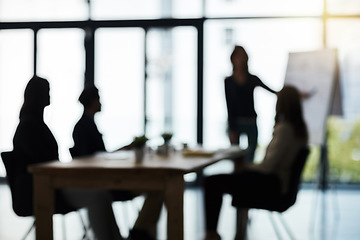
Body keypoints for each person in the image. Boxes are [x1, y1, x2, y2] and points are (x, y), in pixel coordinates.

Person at [12, 76, 123, 240]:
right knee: (99, 196)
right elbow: (43, 164)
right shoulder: (29, 127)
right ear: (38, 95)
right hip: (45, 190)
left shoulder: (35, 124)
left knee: (102, 194)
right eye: (47, 91)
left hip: (52, 185)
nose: (50, 95)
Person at [204, 85, 308, 240]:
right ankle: (216, 234)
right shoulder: (300, 131)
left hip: (272, 186)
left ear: (281, 103)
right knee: (229, 178)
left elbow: (267, 167)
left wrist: (245, 167)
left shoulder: (285, 129)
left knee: (212, 182)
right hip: (280, 185)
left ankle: (211, 235)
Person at [71, 84, 163, 240]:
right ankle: (140, 232)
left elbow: (100, 156)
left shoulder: (88, 124)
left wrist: (124, 149)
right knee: (158, 187)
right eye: (99, 99)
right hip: (105, 183)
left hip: (107, 180)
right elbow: (92, 159)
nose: (101, 103)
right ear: (92, 102)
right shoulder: (82, 127)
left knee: (159, 186)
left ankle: (141, 231)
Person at [225, 45, 277, 163]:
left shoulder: (252, 79)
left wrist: (294, 93)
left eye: (242, 57)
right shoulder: (228, 81)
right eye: (237, 57)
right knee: (236, 159)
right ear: (232, 59)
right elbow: (229, 106)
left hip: (251, 121)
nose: (239, 60)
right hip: (236, 123)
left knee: (250, 158)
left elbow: (273, 91)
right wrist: (231, 128)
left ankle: (247, 180)